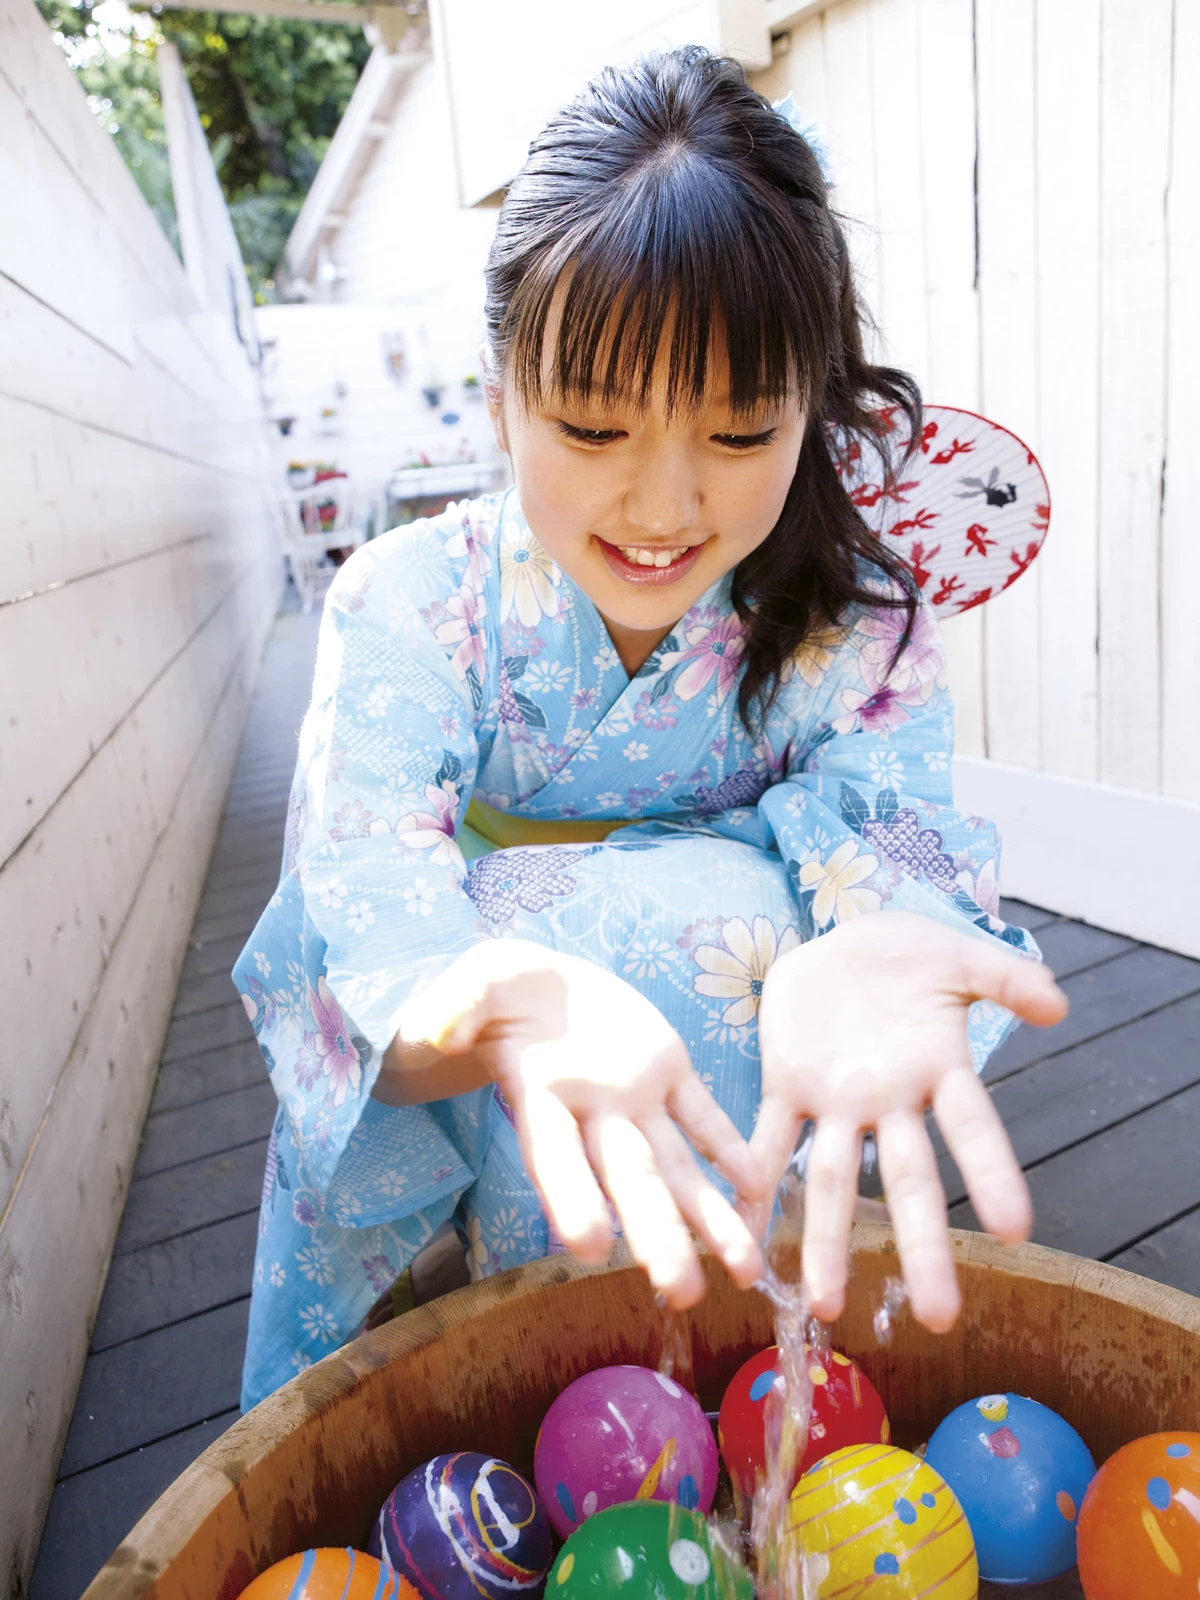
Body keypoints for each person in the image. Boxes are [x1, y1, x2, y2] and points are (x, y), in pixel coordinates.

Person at [234, 47, 1067, 1410]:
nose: (664, 507)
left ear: (814, 403)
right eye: (593, 425)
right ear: (499, 389)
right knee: (416, 1404)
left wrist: (872, 935)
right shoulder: (412, 603)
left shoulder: (848, 619)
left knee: (745, 947)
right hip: (481, 1051)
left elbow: (889, 834)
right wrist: (507, 991)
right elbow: (371, 898)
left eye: (742, 434)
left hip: (729, 1051)